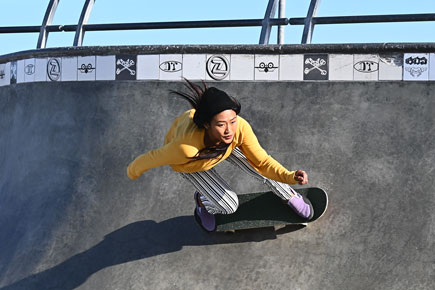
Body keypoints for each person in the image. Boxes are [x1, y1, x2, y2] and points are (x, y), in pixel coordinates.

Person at [127, 80, 313, 232]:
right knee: (229, 206)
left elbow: (262, 162)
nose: (229, 130)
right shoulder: (185, 148)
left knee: (258, 167)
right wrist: (133, 171)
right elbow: (151, 158)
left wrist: (290, 176)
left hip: (223, 149)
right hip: (194, 164)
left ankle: (288, 194)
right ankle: (203, 201)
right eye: (221, 124)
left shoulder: (238, 129)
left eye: (232, 121)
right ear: (207, 124)